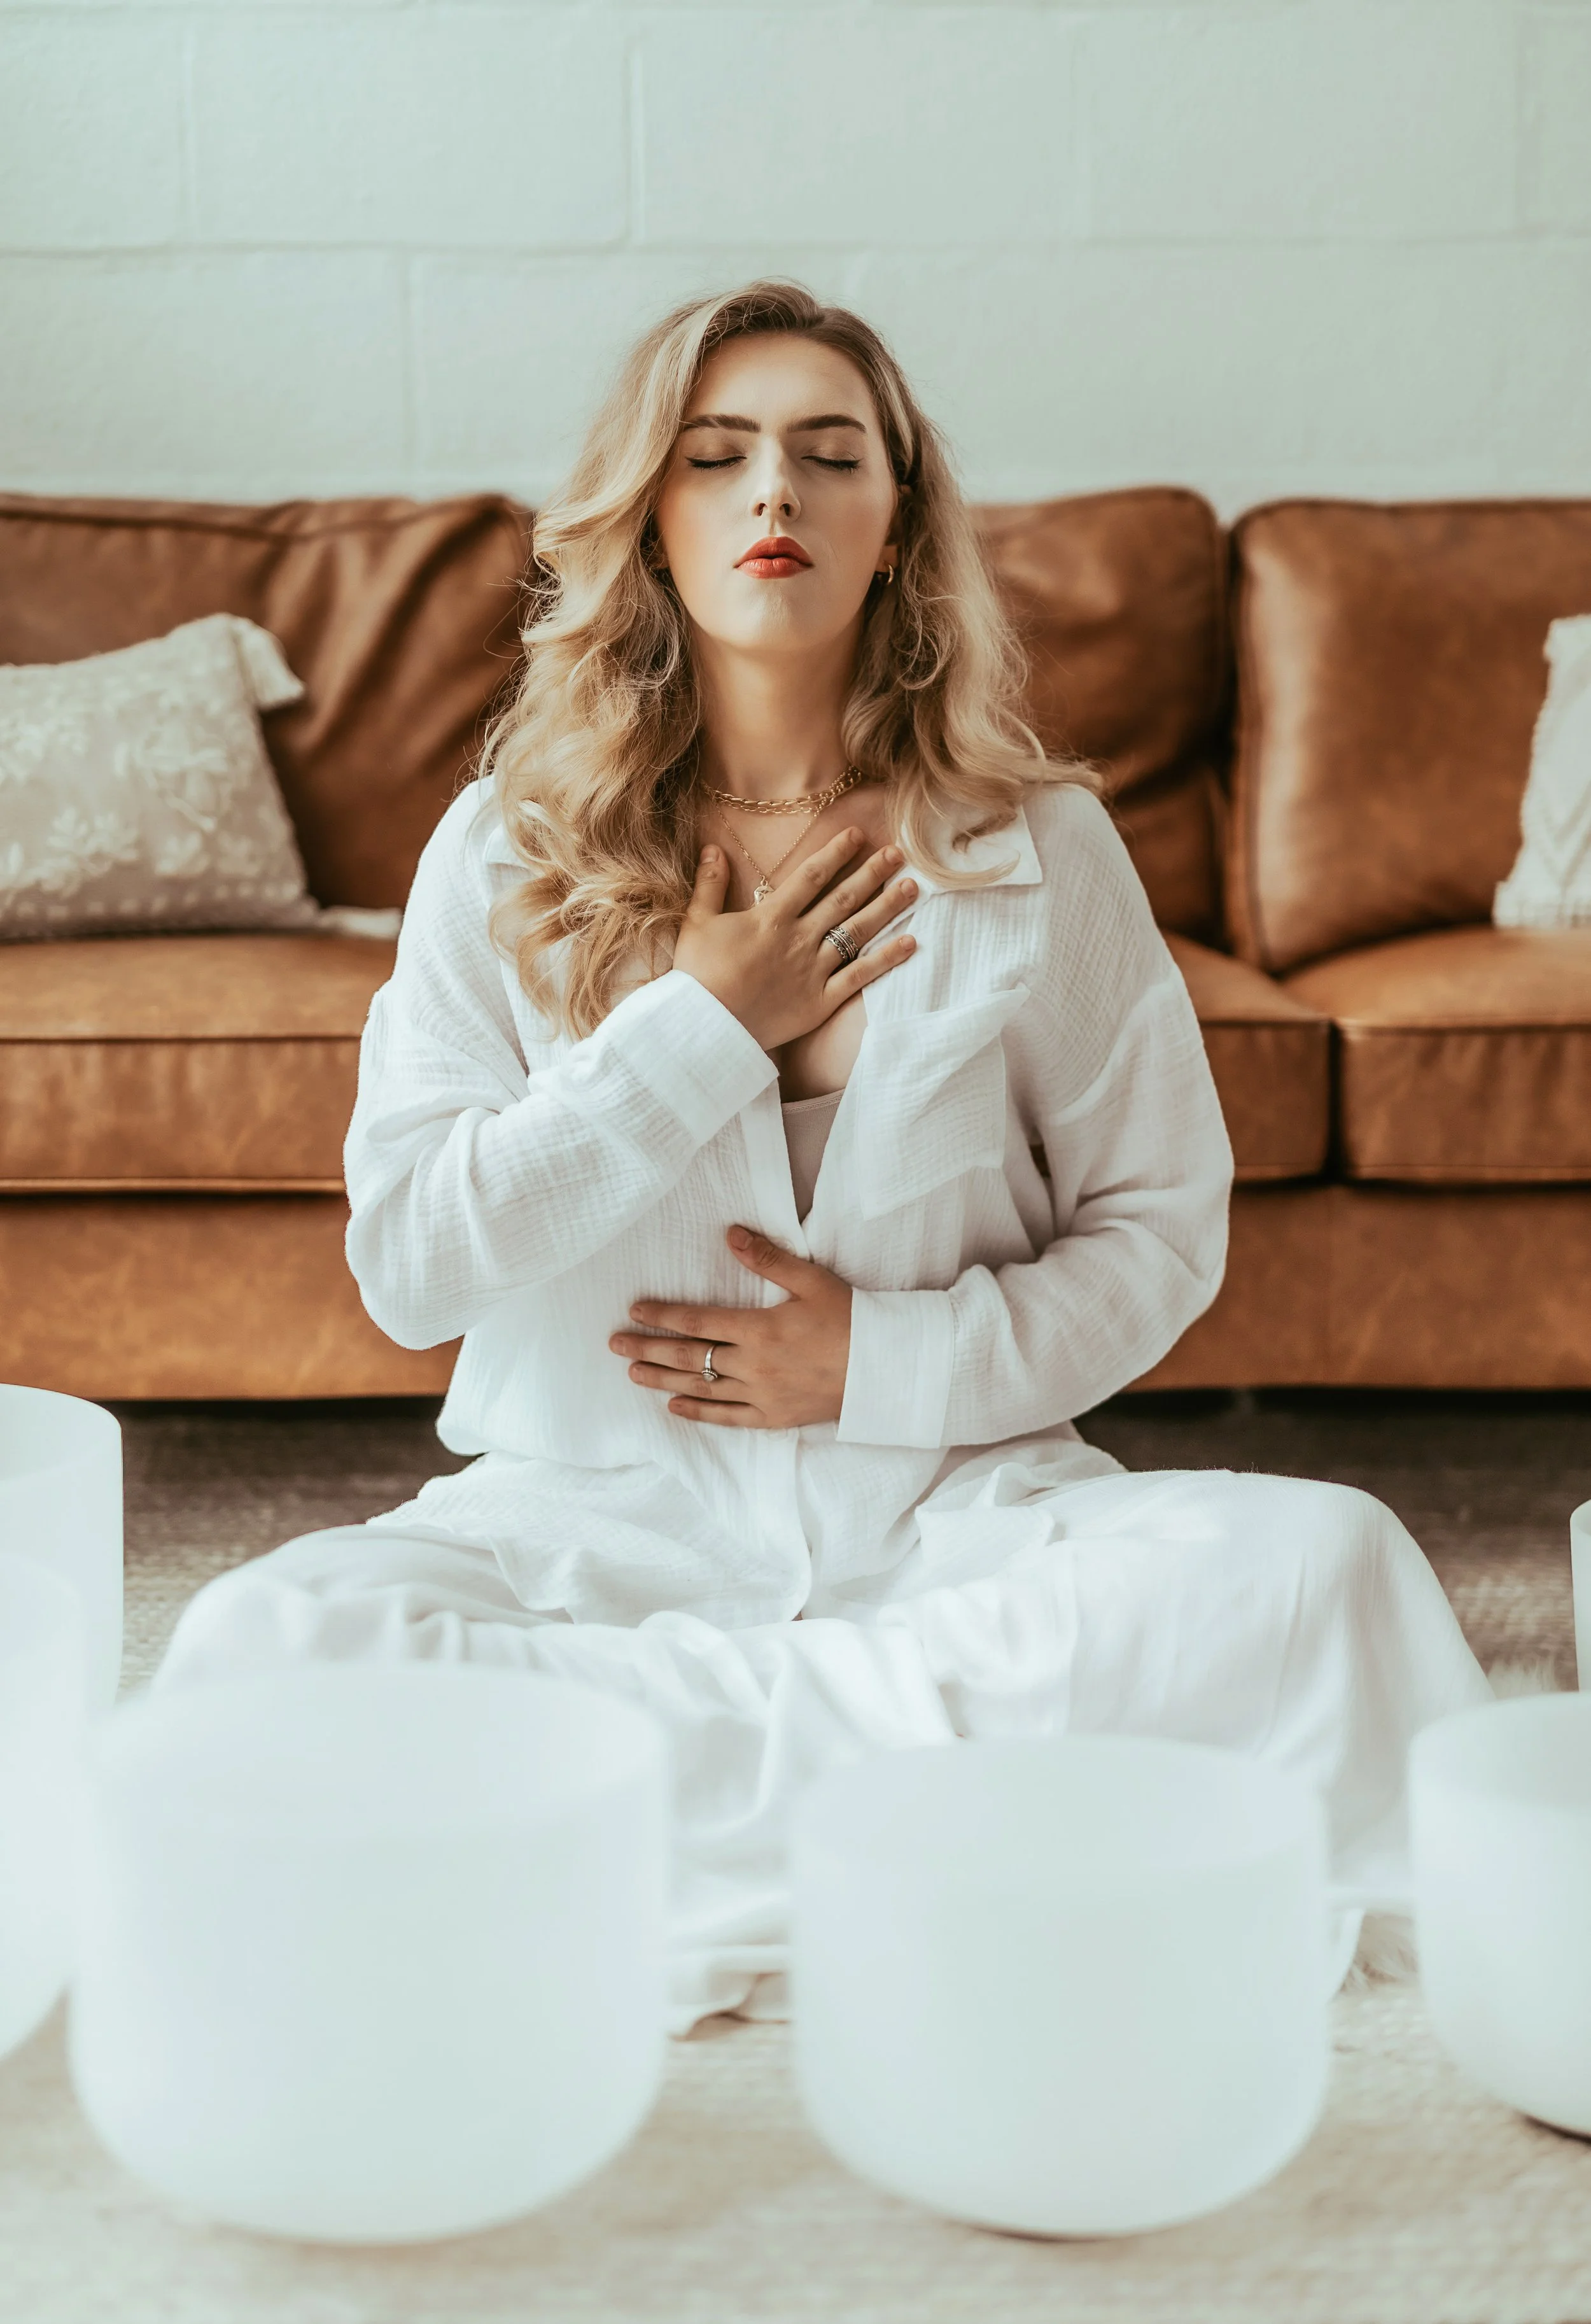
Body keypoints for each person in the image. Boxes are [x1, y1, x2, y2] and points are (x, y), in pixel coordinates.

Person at [159, 281, 1490, 2027]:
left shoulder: (1039, 846)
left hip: (951, 1517)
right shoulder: (505, 845)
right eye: (714, 457)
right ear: (649, 522)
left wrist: (873, 1362)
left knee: (1325, 1570)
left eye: (824, 452)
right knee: (261, 1649)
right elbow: (411, 1260)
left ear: (896, 521)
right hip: (598, 1522)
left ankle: (615, 1816)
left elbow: (1155, 1232)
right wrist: (697, 1027)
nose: (770, 493)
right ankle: (940, 1828)